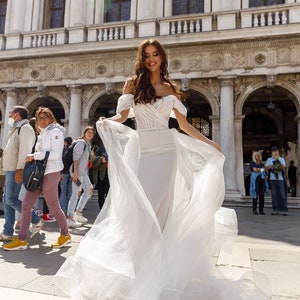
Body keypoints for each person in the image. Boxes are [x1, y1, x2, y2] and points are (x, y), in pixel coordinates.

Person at [55, 40, 270, 299]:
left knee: (161, 213)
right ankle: (138, 269)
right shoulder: (133, 85)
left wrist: (211, 143)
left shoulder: (170, 88)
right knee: (139, 211)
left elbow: (185, 126)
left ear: (162, 57)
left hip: (167, 153)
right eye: (147, 55)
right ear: (142, 59)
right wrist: (106, 121)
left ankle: (158, 272)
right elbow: (123, 117)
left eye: (155, 54)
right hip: (142, 151)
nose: (151, 59)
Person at [3, 107, 71, 250]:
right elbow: (40, 153)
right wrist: (35, 157)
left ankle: (65, 234)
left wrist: (34, 156)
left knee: (53, 207)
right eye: (39, 118)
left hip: (51, 172)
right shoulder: (41, 135)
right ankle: (22, 240)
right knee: (26, 205)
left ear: (51, 118)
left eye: (45, 117)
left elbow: (56, 154)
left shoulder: (56, 132)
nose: (42, 120)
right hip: (39, 174)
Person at [0, 106, 42, 242]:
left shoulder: (25, 128)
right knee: (7, 201)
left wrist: (20, 169)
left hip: (15, 169)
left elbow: (25, 150)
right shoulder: (16, 128)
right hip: (10, 168)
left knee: (10, 200)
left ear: (17, 115)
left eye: (11, 113)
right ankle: (7, 232)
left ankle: (36, 219)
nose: (9, 115)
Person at [66, 127, 94, 228]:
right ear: (84, 133)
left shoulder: (88, 145)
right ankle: (69, 218)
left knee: (89, 190)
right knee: (75, 194)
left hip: (83, 173)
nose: (90, 134)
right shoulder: (81, 143)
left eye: (92, 133)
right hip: (77, 172)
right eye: (88, 132)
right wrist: (76, 173)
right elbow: (76, 159)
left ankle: (77, 213)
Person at [265, 146, 288, 216]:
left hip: (280, 179)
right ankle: (275, 209)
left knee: (282, 194)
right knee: (274, 195)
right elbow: (266, 167)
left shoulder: (282, 159)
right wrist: (274, 165)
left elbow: (284, 168)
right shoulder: (269, 159)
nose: (275, 152)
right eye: (273, 151)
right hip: (272, 179)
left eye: (276, 151)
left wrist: (277, 161)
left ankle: (284, 209)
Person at [92, 145, 109, 210]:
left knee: (108, 194)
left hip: (110, 175)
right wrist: (101, 160)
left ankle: (108, 211)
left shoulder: (114, 148)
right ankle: (102, 210)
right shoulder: (101, 148)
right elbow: (94, 160)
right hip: (101, 176)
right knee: (101, 194)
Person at [59, 136, 73, 215]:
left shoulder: (65, 150)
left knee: (63, 190)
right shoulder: (73, 149)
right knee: (70, 192)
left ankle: (62, 209)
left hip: (64, 172)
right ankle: (69, 208)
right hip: (71, 172)